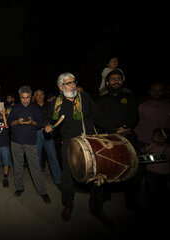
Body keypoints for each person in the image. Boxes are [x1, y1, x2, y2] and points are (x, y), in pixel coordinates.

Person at [45, 72, 118, 227]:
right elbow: (49, 119)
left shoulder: (84, 98)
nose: (73, 86)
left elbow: (99, 117)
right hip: (70, 145)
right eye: (69, 83)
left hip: (90, 142)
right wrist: (47, 126)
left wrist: (114, 131)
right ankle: (68, 205)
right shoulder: (56, 103)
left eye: (74, 82)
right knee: (68, 177)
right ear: (61, 87)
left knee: (98, 176)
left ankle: (96, 208)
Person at [95, 69, 144, 214]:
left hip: (128, 137)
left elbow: (135, 116)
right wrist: (113, 129)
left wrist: (126, 127)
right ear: (107, 83)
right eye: (113, 79)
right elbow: (99, 118)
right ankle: (102, 199)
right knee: (105, 168)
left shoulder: (130, 98)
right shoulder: (101, 100)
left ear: (122, 82)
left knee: (134, 169)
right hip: (108, 138)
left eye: (119, 79)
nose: (116, 81)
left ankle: (131, 201)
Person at [8, 85, 51, 204]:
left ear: (30, 97)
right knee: (18, 166)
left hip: (31, 142)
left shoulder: (35, 109)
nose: (25, 100)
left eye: (27, 98)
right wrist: (18, 121)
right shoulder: (15, 108)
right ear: (19, 97)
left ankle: (42, 191)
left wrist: (32, 122)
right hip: (16, 141)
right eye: (23, 98)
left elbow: (39, 124)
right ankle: (19, 188)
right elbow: (10, 123)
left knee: (35, 167)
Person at [33, 89, 61, 188]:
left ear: (44, 96)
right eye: (37, 95)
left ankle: (58, 180)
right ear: (34, 97)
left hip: (48, 133)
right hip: (37, 133)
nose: (39, 96)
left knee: (53, 157)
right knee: (37, 158)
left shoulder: (50, 106)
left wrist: (51, 126)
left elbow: (55, 118)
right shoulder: (32, 107)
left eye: (41, 94)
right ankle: (39, 181)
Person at [0, 105, 11, 188]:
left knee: (6, 162)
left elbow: (7, 127)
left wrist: (4, 115)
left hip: (5, 145)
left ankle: (5, 178)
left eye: (3, 108)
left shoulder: (7, 119)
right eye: (0, 108)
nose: (1, 109)